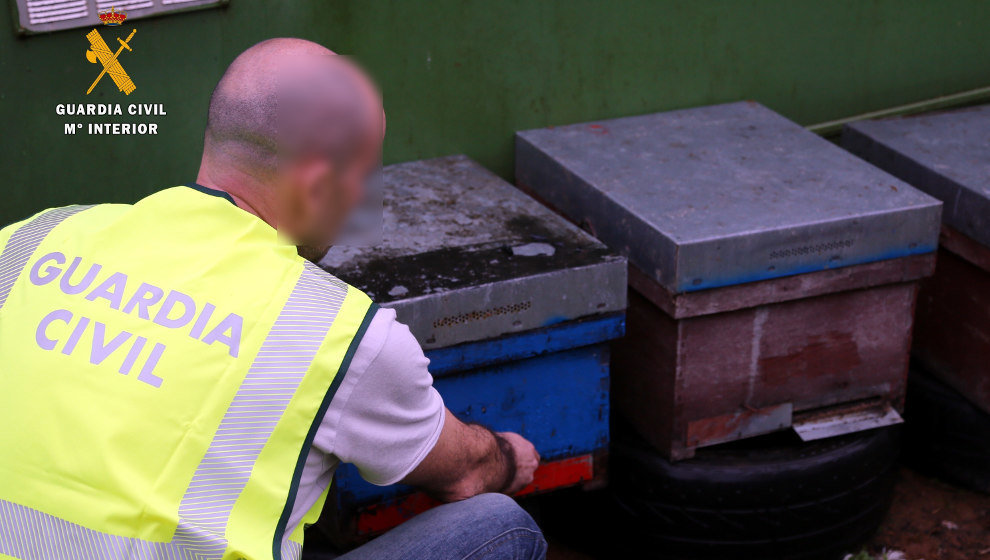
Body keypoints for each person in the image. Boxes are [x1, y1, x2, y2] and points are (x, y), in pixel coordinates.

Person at [0, 38, 546, 560]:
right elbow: (464, 472)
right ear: (314, 183)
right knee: (499, 526)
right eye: (362, 175)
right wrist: (507, 457)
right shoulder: (336, 332)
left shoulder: (30, 239)